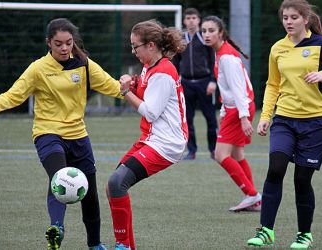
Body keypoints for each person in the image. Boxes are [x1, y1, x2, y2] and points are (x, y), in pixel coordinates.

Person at [0, 18, 124, 250]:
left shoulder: (84, 64)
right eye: (58, 43)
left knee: (88, 191)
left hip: (78, 135)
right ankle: (56, 228)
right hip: (47, 133)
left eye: (68, 43)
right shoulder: (38, 68)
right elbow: (14, 94)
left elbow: (115, 88)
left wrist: (142, 89)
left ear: (73, 42)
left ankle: (95, 244)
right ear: (49, 43)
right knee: (59, 178)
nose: (64, 48)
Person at [245, 0, 322, 248]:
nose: (288, 22)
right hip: (284, 120)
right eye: (285, 18)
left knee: (302, 180)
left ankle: (304, 234)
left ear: (305, 19)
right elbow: (273, 85)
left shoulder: (321, 44)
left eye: (293, 17)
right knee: (276, 169)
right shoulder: (277, 48)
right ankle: (265, 230)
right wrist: (266, 116)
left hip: (315, 123)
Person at [106, 20, 188, 250]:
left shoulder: (162, 71)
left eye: (136, 46)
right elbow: (146, 93)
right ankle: (127, 246)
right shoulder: (150, 66)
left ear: (151, 45)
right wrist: (133, 85)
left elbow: (150, 112)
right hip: (152, 138)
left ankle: (122, 246)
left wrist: (125, 92)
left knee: (116, 183)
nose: (133, 52)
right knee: (112, 188)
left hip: (166, 143)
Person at [201, 15, 261, 212]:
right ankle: (254, 199)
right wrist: (224, 109)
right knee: (237, 154)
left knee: (220, 155)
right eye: (204, 31)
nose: (207, 35)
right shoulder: (221, 53)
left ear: (220, 32)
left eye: (211, 31)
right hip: (236, 108)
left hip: (240, 108)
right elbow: (229, 89)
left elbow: (239, 89)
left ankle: (252, 195)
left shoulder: (226, 56)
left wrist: (243, 118)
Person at [172, 8, 218, 160]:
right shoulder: (181, 39)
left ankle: (213, 149)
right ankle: (191, 151)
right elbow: (176, 61)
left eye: (194, 18)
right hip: (186, 83)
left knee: (210, 118)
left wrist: (213, 80)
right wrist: (175, 79)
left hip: (205, 82)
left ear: (198, 20)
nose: (191, 20)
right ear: (184, 21)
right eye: (188, 18)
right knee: (187, 118)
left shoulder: (205, 37)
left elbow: (213, 61)